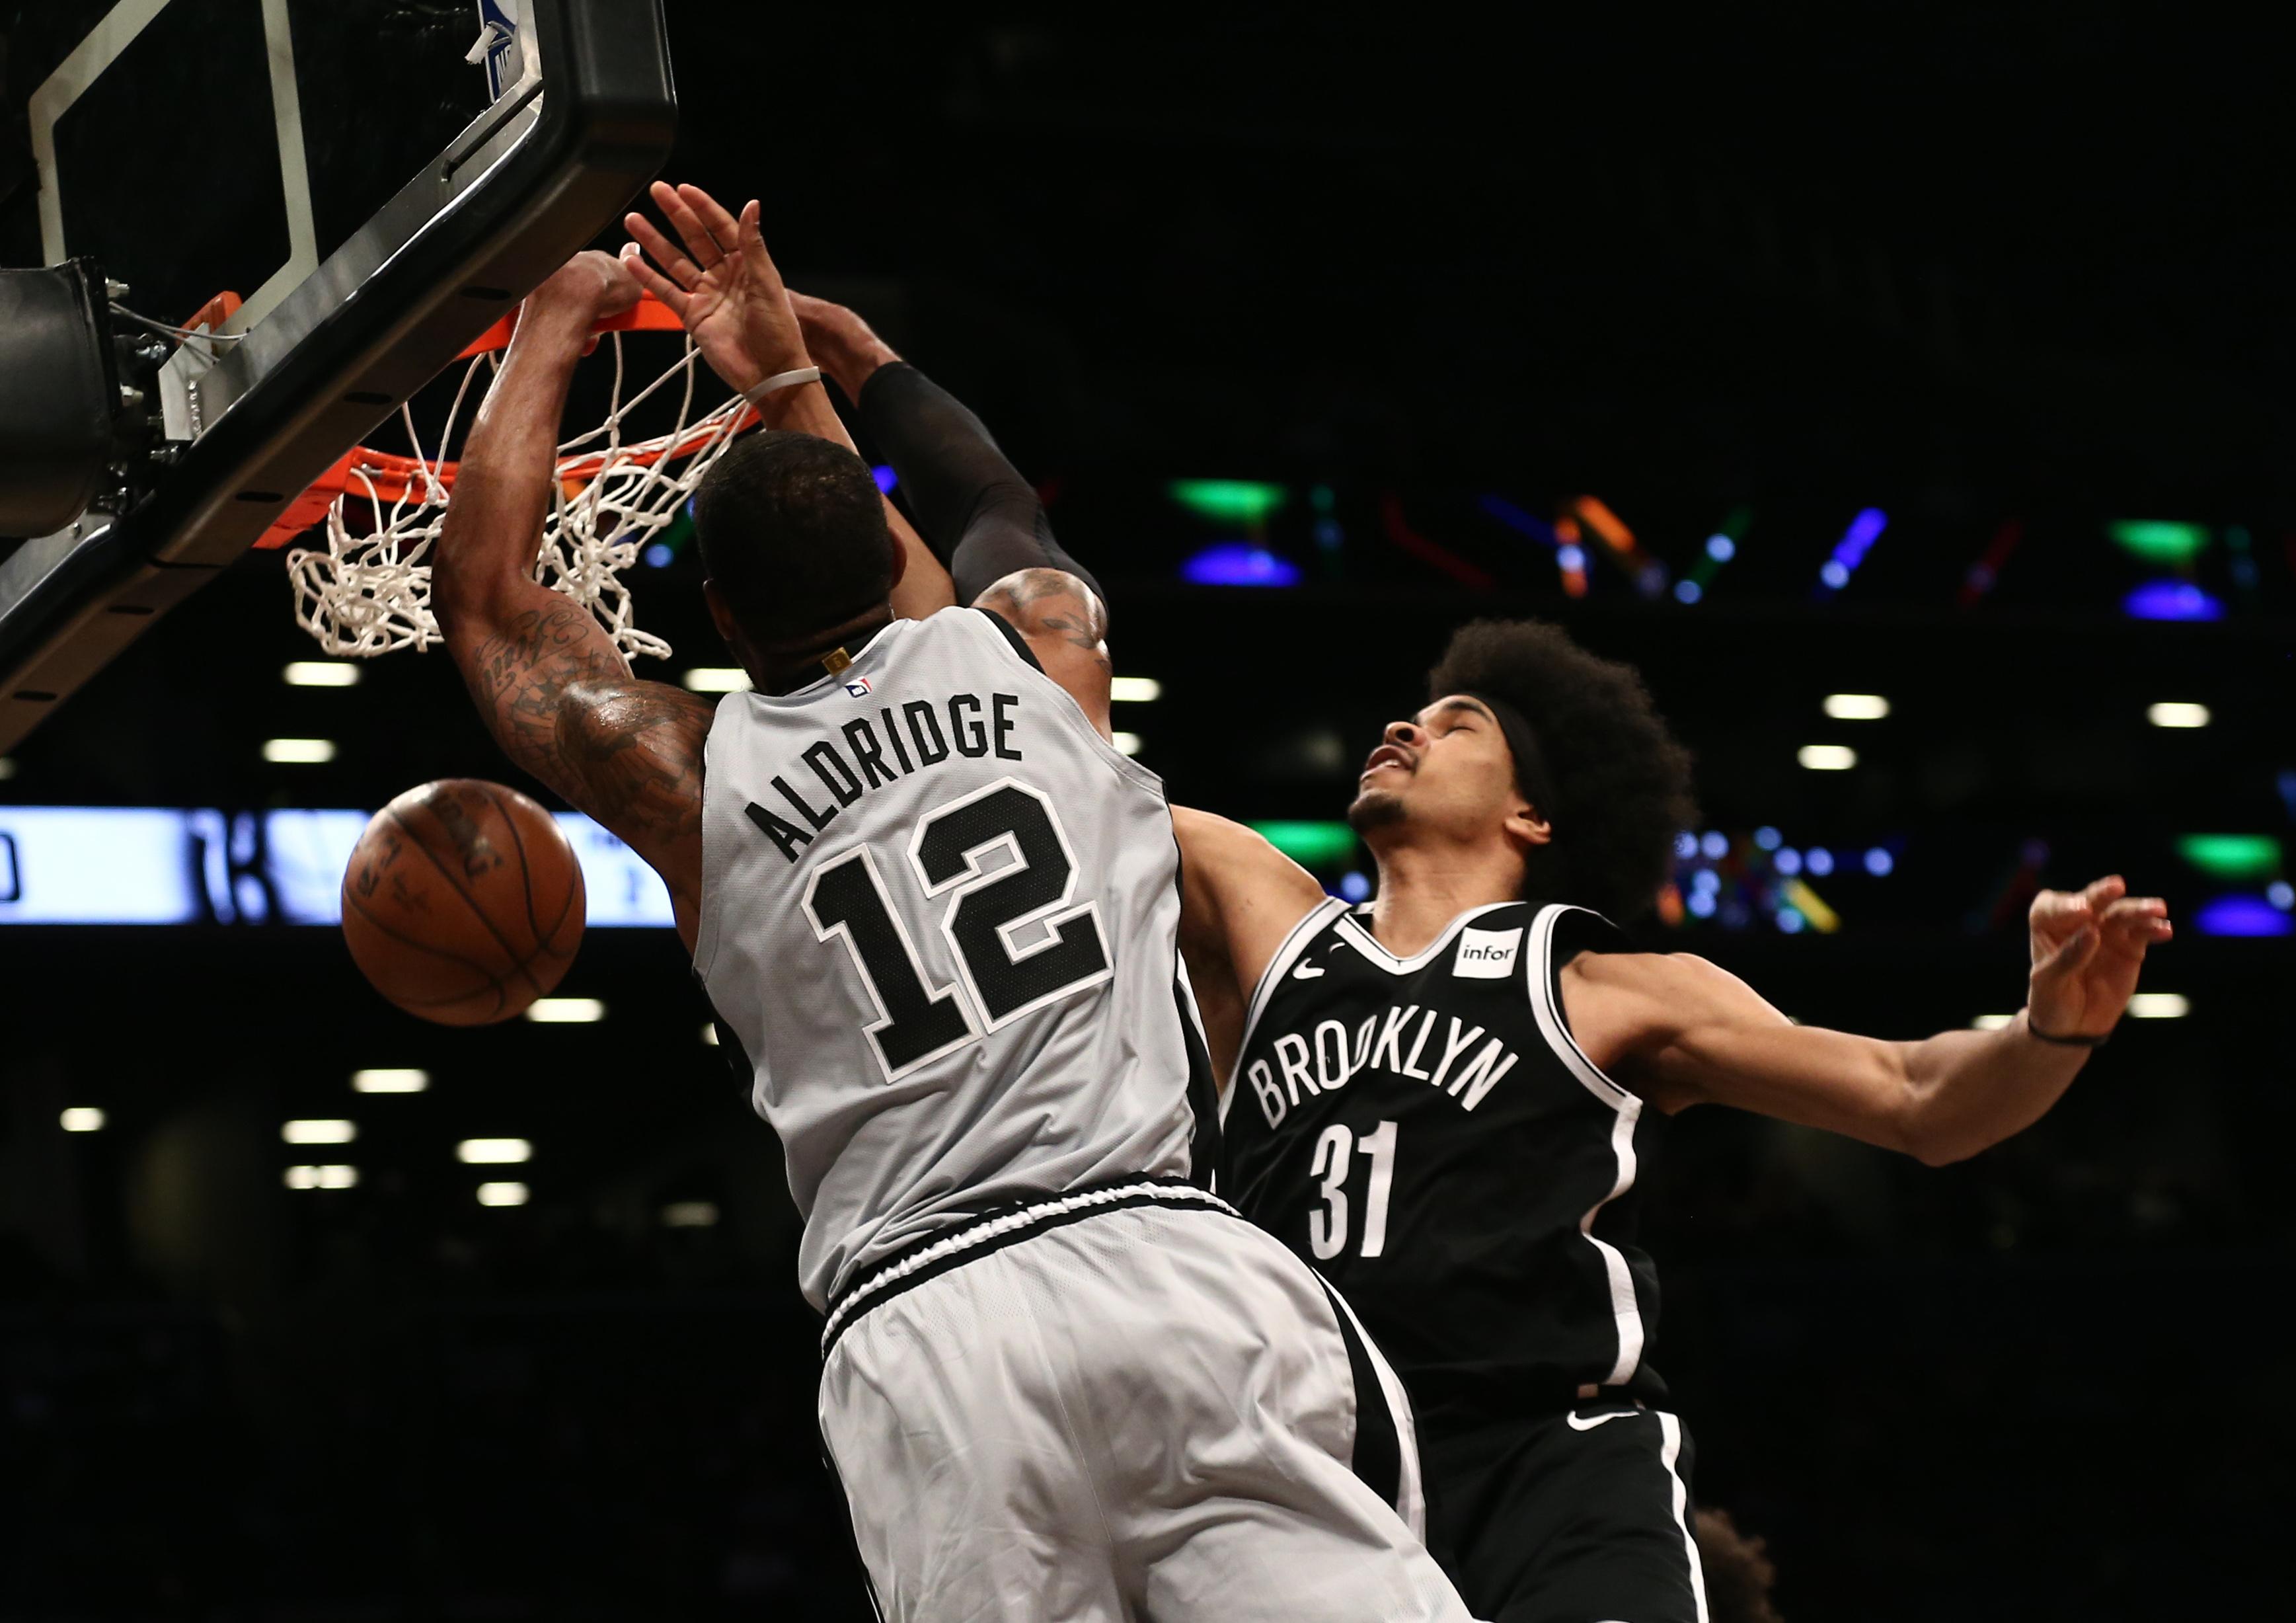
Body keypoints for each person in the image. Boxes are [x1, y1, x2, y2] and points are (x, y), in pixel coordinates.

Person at [786, 295, 2175, 1623]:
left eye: (1452, 722)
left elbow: (1919, 1097)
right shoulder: (1264, 920)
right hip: (1306, 1470)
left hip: (1547, 1473)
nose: (1405, 727)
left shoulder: (1605, 989)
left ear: (1531, 813)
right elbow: (982, 691)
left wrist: (2051, 1027)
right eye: (1407, 711)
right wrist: (824, 392)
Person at [428, 184, 1473, 1622]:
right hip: (1166, 1255)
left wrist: (551, 323)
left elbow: (487, 603)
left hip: (934, 1329)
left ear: (723, 624)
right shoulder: (1044, 661)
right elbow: (994, 497)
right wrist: (816, 360)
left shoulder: (689, 778)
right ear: (889, 557)